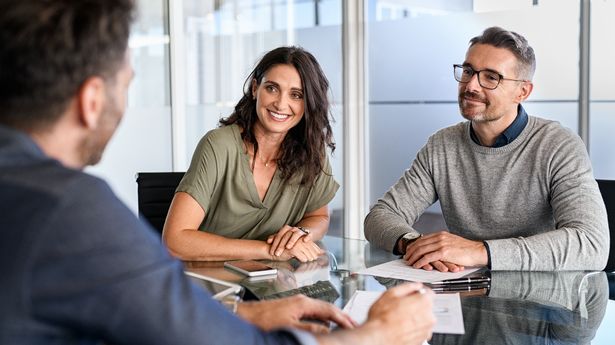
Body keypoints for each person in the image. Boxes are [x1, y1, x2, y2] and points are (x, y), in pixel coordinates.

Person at [0, 1, 436, 344]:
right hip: (209, 289)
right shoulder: (73, 211)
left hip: (241, 299)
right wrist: (377, 335)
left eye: (296, 95)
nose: (282, 103)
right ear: (92, 99)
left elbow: (137, 315)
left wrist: (251, 308)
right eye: (129, 82)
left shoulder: (29, 193)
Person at [364, 26, 609, 272]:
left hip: (542, 300)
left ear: (522, 91)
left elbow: (591, 244)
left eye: (491, 77)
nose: (471, 86)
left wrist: (479, 251)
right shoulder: (441, 145)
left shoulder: (558, 145)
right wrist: (415, 244)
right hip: (463, 292)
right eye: (468, 71)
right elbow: (380, 216)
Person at [163, 46, 339, 262]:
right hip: (209, 284)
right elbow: (175, 241)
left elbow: (318, 216)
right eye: (272, 88)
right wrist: (268, 251)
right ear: (255, 89)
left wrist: (301, 234)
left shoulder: (312, 152)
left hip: (272, 284)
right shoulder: (218, 145)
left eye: (296, 95)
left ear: (308, 102)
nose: (281, 103)